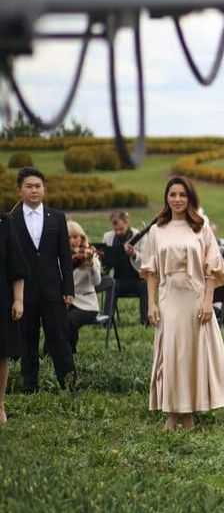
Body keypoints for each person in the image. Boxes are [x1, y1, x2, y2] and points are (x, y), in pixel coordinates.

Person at [140, 176, 224, 431]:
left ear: (190, 198)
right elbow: (150, 271)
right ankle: (172, 414)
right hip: (169, 299)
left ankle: (189, 415)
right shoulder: (156, 231)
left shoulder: (201, 228)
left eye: (182, 195)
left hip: (195, 300)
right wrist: (151, 303)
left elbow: (212, 268)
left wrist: (208, 301)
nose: (177, 199)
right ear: (166, 198)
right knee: (171, 356)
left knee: (192, 356)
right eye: (172, 194)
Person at [11, 167, 75, 393]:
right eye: (29, 186)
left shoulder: (57, 217)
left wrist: (68, 289)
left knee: (59, 339)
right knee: (27, 342)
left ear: (44, 189)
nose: (34, 190)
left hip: (53, 291)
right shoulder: (11, 220)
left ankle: (69, 386)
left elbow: (65, 257)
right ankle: (30, 388)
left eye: (38, 186)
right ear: (20, 190)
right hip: (24, 293)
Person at [0, 208, 28, 423]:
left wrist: (18, 299)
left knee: (1, 354)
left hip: (2, 300)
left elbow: (16, 265)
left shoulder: (5, 224)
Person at [102, 210, 148, 326]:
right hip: (117, 279)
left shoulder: (139, 236)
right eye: (116, 230)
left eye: (121, 229)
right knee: (111, 285)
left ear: (127, 223)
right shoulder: (107, 237)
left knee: (144, 285)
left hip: (138, 278)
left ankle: (145, 321)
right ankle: (107, 322)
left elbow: (147, 260)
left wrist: (134, 254)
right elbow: (103, 260)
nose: (118, 232)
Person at [66, 221, 102, 355]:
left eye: (75, 237)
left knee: (69, 320)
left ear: (81, 238)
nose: (72, 241)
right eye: (68, 238)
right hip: (65, 302)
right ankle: (50, 352)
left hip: (86, 305)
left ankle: (70, 351)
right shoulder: (60, 256)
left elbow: (96, 281)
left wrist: (90, 263)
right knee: (54, 318)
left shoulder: (90, 255)